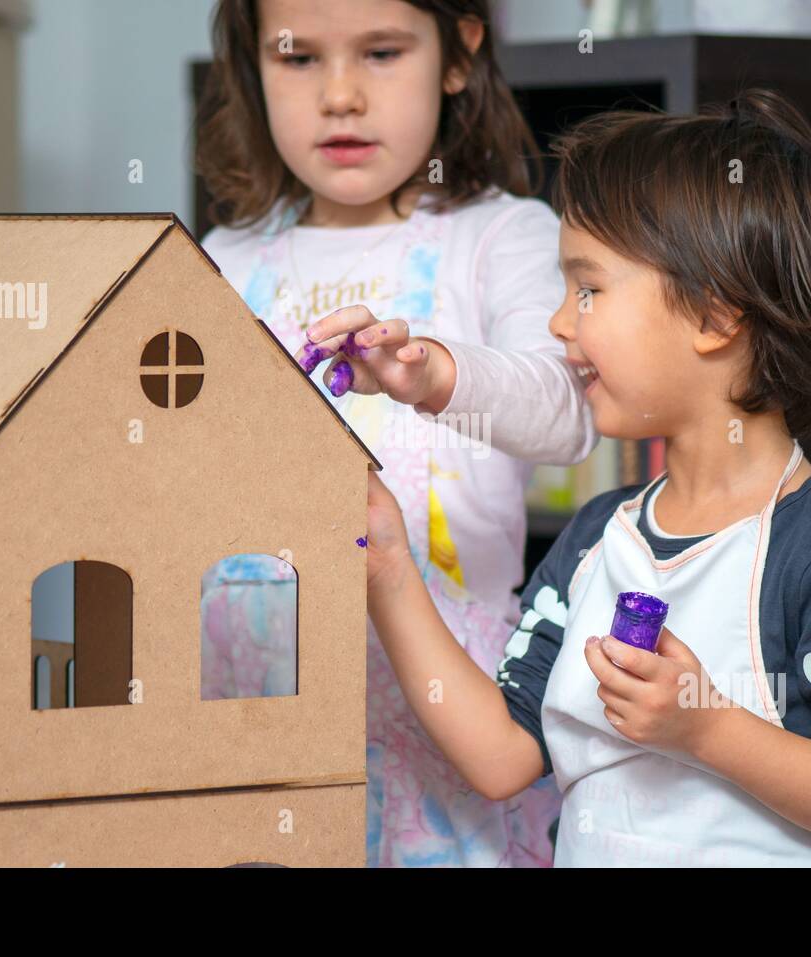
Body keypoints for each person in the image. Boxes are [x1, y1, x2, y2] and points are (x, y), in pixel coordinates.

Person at [361, 89, 811, 866]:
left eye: (589, 288)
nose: (559, 323)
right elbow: (502, 754)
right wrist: (389, 567)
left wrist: (706, 727)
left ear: (714, 315)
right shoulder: (594, 538)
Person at [196, 0, 597, 866]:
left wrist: (437, 375)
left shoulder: (499, 237)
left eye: (381, 52)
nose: (340, 95)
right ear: (251, 62)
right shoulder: (222, 259)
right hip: (253, 730)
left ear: (458, 54)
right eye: (298, 58)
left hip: (447, 740)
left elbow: (566, 415)